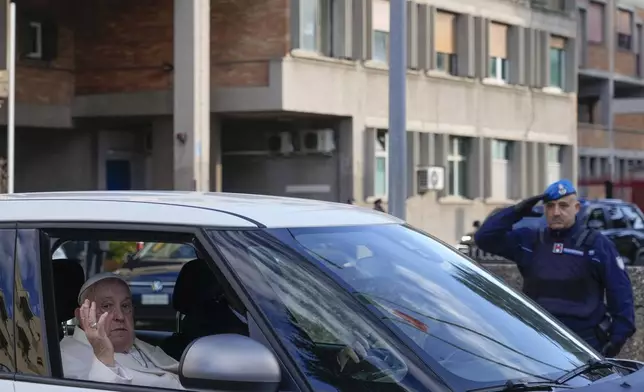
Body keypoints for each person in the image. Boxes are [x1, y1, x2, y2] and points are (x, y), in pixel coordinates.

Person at [474, 179, 636, 357]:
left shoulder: (596, 245)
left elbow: (620, 292)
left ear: (576, 208)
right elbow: (484, 238)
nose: (556, 212)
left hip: (583, 342)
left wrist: (616, 340)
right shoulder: (531, 241)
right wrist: (515, 211)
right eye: (550, 206)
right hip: (538, 339)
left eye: (563, 206)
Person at [60, 272, 184, 389]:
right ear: (82, 316)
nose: (120, 316)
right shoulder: (67, 355)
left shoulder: (139, 345)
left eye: (125, 306)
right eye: (107, 306)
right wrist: (103, 357)